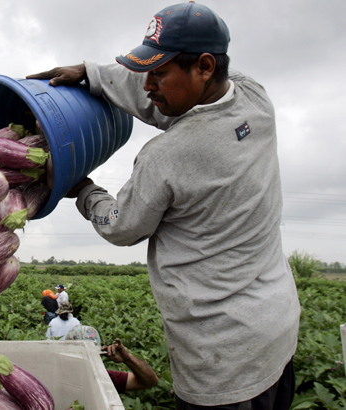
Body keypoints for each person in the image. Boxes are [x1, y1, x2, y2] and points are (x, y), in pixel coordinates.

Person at [27, 2, 301, 409]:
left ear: (205, 66)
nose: (148, 84)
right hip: (276, 331)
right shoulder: (253, 97)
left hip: (221, 359)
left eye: (159, 72)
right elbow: (155, 96)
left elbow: (122, 226)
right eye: (145, 70)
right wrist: (94, 73)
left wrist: (83, 189)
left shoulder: (169, 155)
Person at [65, 326, 159, 393]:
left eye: (93, 355)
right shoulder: (58, 376)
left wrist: (128, 359)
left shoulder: (105, 377)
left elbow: (150, 381)